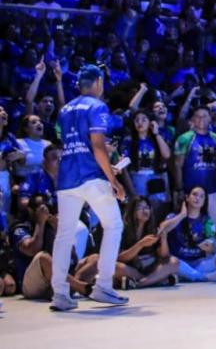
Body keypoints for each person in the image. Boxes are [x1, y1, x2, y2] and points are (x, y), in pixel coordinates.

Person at [49, 64, 129, 311]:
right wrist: (113, 180)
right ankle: (103, 285)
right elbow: (96, 145)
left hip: (67, 178)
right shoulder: (97, 106)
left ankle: (60, 294)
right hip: (91, 177)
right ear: (98, 82)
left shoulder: (64, 109)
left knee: (64, 234)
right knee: (114, 225)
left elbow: (70, 143)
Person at [172, 106, 216, 268]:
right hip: (191, 191)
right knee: (191, 226)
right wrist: (179, 188)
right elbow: (177, 165)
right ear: (192, 119)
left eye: (204, 116)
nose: (201, 119)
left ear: (210, 119)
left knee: (214, 226)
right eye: (197, 116)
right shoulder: (185, 138)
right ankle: (192, 259)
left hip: (213, 190)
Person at [115, 196, 180, 289]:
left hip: (151, 267)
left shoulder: (153, 228)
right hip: (132, 268)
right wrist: (140, 244)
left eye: (147, 207)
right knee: (115, 267)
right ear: (132, 211)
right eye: (140, 207)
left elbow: (164, 256)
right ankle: (157, 279)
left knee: (174, 262)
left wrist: (164, 239)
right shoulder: (123, 228)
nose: (145, 211)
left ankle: (139, 283)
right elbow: (120, 258)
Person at [166, 186, 216, 282]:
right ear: (187, 197)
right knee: (172, 262)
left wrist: (210, 248)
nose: (198, 198)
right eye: (194, 194)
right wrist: (181, 215)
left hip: (198, 262)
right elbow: (163, 229)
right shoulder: (174, 216)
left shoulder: (207, 220)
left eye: (202, 196)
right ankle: (204, 277)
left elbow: (213, 246)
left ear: (204, 201)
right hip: (179, 261)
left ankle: (187, 275)